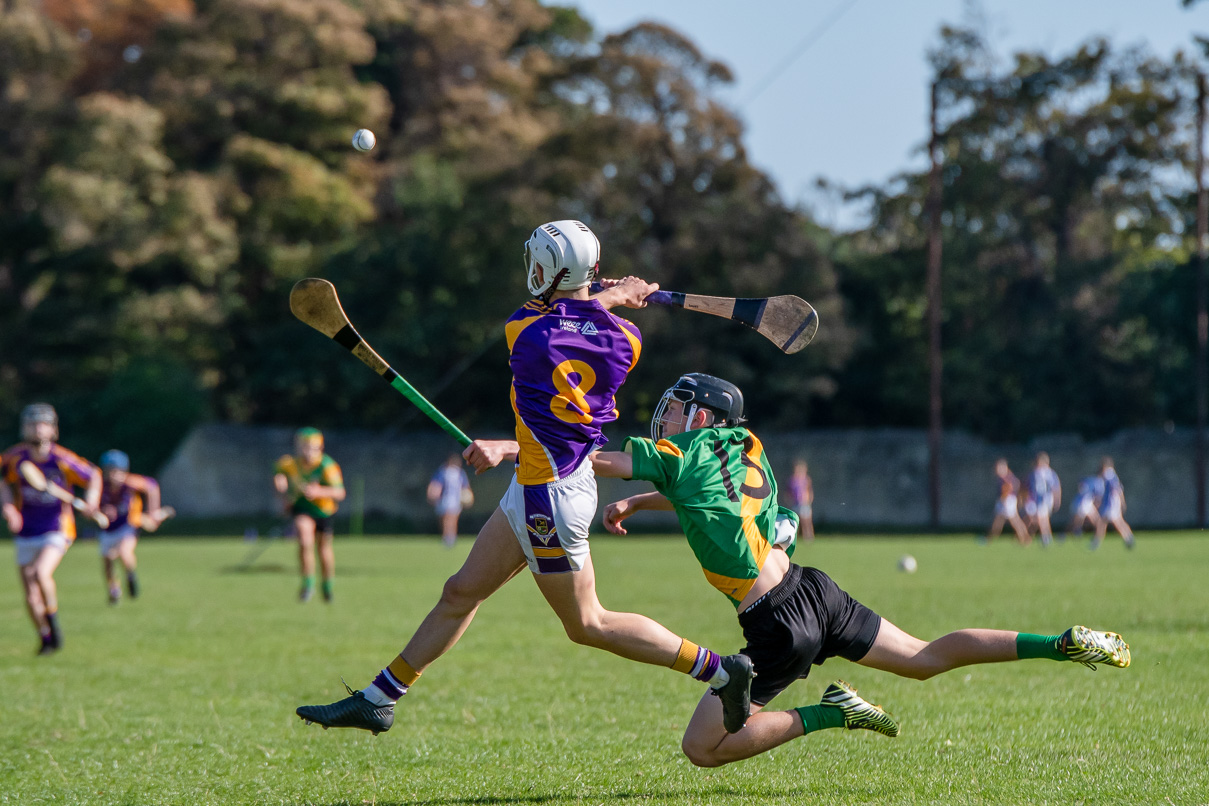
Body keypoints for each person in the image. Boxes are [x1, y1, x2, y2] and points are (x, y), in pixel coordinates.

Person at [297, 220, 752, 736]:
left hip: (548, 498)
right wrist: (617, 295)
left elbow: (565, 316)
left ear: (550, 273)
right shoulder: (628, 339)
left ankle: (722, 671)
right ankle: (380, 697)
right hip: (544, 481)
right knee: (460, 591)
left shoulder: (525, 331)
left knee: (588, 624)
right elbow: (581, 316)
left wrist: (608, 294)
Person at [591, 373, 1132, 767]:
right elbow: (705, 500)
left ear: (701, 419)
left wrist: (527, 445)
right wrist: (640, 504)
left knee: (701, 749)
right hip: (813, 589)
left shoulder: (680, 453)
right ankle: (1059, 643)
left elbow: (601, 463)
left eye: (676, 408)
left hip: (777, 625)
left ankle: (834, 713)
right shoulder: (745, 448)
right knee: (925, 658)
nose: (666, 417)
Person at [0, 404, 102, 654]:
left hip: (57, 528)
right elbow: (3, 480)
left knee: (41, 573)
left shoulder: (63, 459)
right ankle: (45, 636)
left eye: (42, 423)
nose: (36, 428)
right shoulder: (14, 458)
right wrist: (9, 507)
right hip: (26, 531)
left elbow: (94, 476)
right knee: (30, 595)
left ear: (53, 429)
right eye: (31, 423)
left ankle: (53, 622)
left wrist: (91, 502)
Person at [273, 428, 346, 602]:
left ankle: (327, 587)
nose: (307, 451)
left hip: (323, 511)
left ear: (319, 447)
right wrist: (282, 492)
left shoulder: (327, 466)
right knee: (305, 540)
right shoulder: (290, 463)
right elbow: (278, 474)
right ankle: (308, 585)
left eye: (312, 447)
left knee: (323, 549)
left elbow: (340, 493)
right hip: (302, 509)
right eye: (303, 447)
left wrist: (319, 491)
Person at [96, 449, 174, 604]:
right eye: (110, 471)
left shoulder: (130, 483)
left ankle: (131, 577)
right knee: (108, 559)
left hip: (128, 525)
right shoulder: (99, 486)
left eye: (117, 471)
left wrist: (153, 511)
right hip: (108, 528)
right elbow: (94, 506)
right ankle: (114, 589)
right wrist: (102, 512)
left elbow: (151, 486)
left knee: (125, 552)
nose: (114, 475)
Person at [427, 454, 472, 548]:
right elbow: (437, 485)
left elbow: (465, 486)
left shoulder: (458, 472)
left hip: (453, 499)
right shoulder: (444, 471)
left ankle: (449, 538)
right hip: (445, 498)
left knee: (450, 518)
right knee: (447, 518)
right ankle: (448, 537)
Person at [1091, 457, 1135, 550]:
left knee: (1110, 522)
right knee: (1109, 522)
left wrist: (1122, 501)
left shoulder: (1109, 475)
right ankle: (1128, 537)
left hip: (1111, 503)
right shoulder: (1111, 475)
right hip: (1112, 503)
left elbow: (1117, 489)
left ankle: (1128, 538)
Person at [986, 458, 1029, 545]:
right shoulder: (1006, 477)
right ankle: (989, 538)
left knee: (1014, 521)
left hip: (1007, 500)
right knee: (998, 521)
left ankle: (1024, 538)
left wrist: (1007, 498)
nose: (997, 470)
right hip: (1005, 500)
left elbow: (1012, 487)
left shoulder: (1007, 477)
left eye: (999, 467)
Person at [1022, 452, 1061, 546]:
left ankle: (1045, 537)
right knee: (1043, 518)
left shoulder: (1041, 473)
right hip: (1042, 499)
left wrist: (1057, 499)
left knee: (1040, 518)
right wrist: (1057, 499)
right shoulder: (1049, 472)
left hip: (1043, 498)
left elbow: (1055, 487)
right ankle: (1047, 536)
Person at [1065, 474, 1103, 540]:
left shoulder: (1090, 482)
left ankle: (1095, 537)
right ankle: (1068, 534)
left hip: (1086, 503)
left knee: (1077, 521)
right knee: (1077, 521)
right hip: (1085, 504)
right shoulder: (1097, 482)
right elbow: (1097, 496)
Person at [787, 459, 814, 541]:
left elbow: (809, 490)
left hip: (804, 503)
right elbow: (789, 492)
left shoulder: (806, 479)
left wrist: (809, 500)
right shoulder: (792, 480)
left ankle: (809, 537)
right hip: (796, 503)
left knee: (806, 522)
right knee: (795, 521)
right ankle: (795, 537)